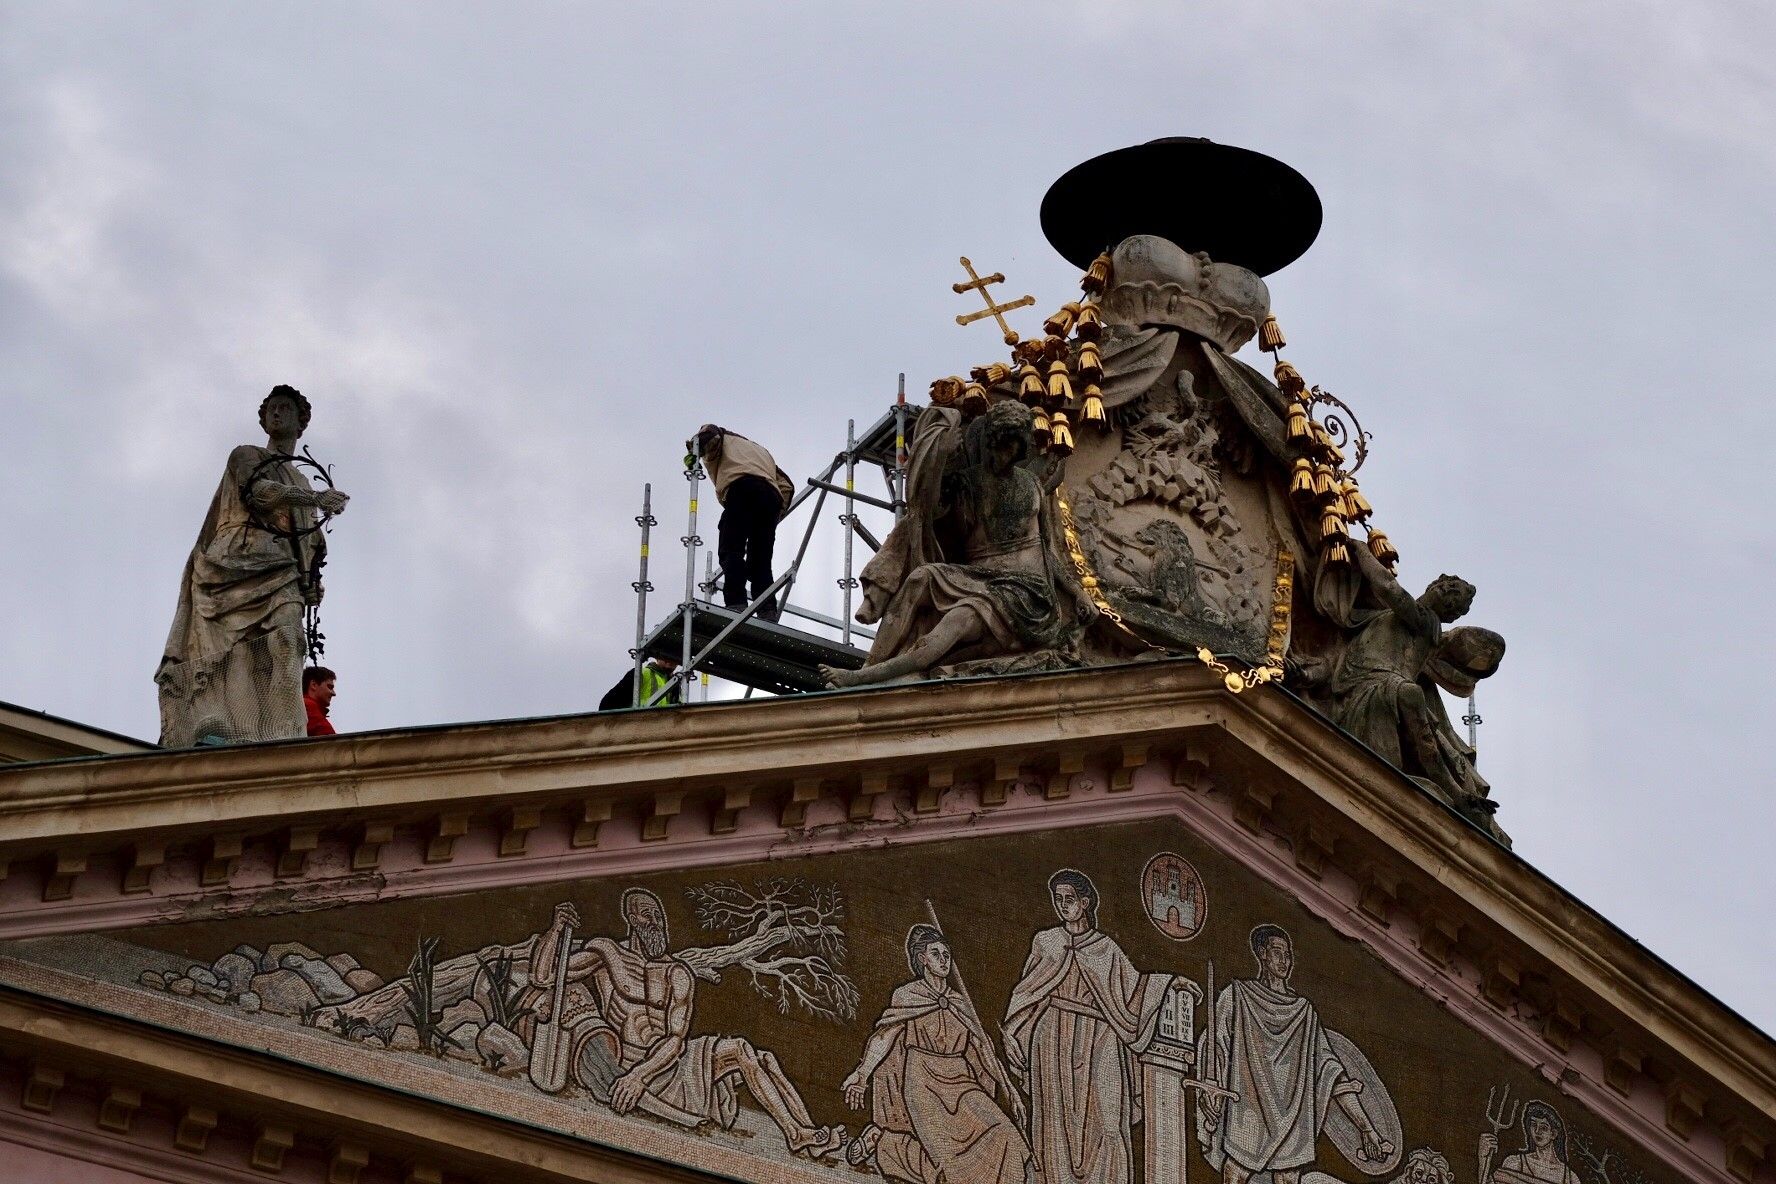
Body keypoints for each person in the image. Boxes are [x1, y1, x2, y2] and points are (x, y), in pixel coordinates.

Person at [528, 891, 846, 1159]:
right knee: (747, 1053)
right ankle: (801, 1133)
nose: (655, 922)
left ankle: (799, 1133)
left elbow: (677, 1038)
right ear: (630, 918)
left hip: (665, 1069)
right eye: (646, 915)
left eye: (659, 916)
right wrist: (556, 931)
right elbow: (543, 977)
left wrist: (641, 1076)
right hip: (625, 1062)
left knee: (750, 1054)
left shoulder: (677, 973)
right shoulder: (608, 953)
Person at [155, 385, 350, 746]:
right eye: (271, 409)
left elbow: (307, 539)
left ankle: (283, 730)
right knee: (238, 652)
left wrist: (311, 582)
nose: (276, 414)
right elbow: (259, 493)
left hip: (282, 566)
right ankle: (238, 726)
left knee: (289, 641)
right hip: (237, 556)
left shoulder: (302, 478)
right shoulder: (245, 455)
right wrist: (316, 498)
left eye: (285, 409)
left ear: (300, 422)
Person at [1002, 869, 1188, 1184]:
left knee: (1109, 1120)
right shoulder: (1045, 942)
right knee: (1055, 1122)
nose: (1062, 905)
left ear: (1085, 902)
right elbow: (1026, 993)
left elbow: (1133, 991)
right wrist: (1013, 1035)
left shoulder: (1106, 948)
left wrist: (1171, 982)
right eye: (1058, 899)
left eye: (1069, 899)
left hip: (1101, 1037)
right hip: (1052, 1040)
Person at [1197, 925, 1394, 1184]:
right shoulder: (1238, 995)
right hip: (1250, 1107)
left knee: (1288, 1178)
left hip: (1294, 1113)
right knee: (1236, 1172)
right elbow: (1216, 1047)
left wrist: (1367, 1129)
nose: (1285, 960)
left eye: (1288, 954)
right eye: (1277, 952)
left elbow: (1332, 1074)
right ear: (1261, 953)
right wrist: (1211, 1088)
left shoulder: (1305, 1013)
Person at [842, 924, 1029, 1184]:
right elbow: (884, 1037)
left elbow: (985, 1052)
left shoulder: (961, 1003)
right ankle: (886, 1145)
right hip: (923, 1083)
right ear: (922, 960)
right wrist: (862, 1075)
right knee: (949, 1161)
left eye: (947, 954)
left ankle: (887, 1144)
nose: (944, 960)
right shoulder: (908, 995)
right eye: (936, 954)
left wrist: (1009, 1091)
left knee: (1005, 1134)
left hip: (962, 1082)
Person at [690, 424, 794, 621]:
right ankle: (767, 610)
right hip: (770, 497)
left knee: (732, 549)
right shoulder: (761, 452)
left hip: (742, 489)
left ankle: (736, 603)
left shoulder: (721, 435)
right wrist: (773, 517)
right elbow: (786, 486)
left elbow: (709, 435)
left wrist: (693, 449)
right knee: (760, 561)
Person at [1478, 1101, 1579, 1184]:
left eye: (1543, 1128)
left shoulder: (1570, 1178)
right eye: (1534, 1125)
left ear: (1553, 1134)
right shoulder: (1515, 1162)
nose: (1537, 1131)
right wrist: (1483, 1159)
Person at [598, 656, 681, 711]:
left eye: (675, 656)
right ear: (657, 656)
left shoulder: (676, 685)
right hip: (639, 726)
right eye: (665, 654)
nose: (671, 659)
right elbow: (607, 705)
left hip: (663, 731)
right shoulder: (640, 673)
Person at [302, 666, 337, 736]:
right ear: (313, 685)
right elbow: (331, 739)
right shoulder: (307, 705)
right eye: (330, 687)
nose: (334, 693)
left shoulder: (305, 705)